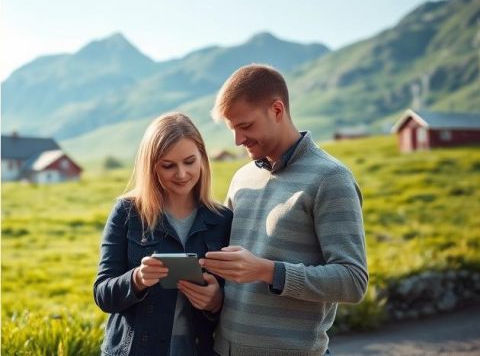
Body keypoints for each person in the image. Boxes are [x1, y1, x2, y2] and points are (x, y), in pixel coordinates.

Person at [200, 64, 368, 356]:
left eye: (246, 126)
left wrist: (266, 271)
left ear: (277, 110)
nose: (238, 140)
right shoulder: (242, 177)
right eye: (232, 129)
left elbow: (353, 281)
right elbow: (230, 268)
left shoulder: (331, 178)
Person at [94, 112, 233, 356]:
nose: (181, 174)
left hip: (196, 348)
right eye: (168, 165)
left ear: (202, 158)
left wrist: (215, 301)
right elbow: (103, 294)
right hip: (134, 350)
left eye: (189, 161)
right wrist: (137, 279)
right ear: (151, 167)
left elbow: (238, 297)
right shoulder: (127, 212)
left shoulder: (222, 220)